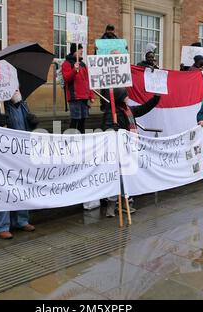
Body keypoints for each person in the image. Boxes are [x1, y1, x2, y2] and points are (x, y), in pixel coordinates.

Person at [0, 89, 39, 240]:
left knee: (22, 187)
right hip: (3, 156)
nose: (16, 90)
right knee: (4, 188)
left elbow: (27, 127)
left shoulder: (22, 104)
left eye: (17, 86)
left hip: (21, 153)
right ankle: (2, 226)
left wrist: (32, 122)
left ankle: (21, 220)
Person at [102, 88, 161, 217]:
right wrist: (113, 128)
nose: (128, 97)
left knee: (127, 177)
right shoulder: (112, 112)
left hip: (129, 147)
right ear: (120, 97)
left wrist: (156, 98)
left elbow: (144, 108)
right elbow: (106, 129)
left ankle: (124, 203)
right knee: (119, 177)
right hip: (118, 149)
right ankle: (111, 206)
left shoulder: (128, 110)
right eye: (126, 95)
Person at [62, 43, 94, 133]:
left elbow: (88, 80)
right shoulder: (67, 63)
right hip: (74, 97)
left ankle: (81, 139)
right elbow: (66, 78)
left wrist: (91, 95)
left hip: (84, 97)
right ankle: (70, 139)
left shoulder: (83, 64)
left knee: (82, 120)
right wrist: (74, 70)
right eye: (80, 49)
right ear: (74, 51)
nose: (82, 51)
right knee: (75, 120)